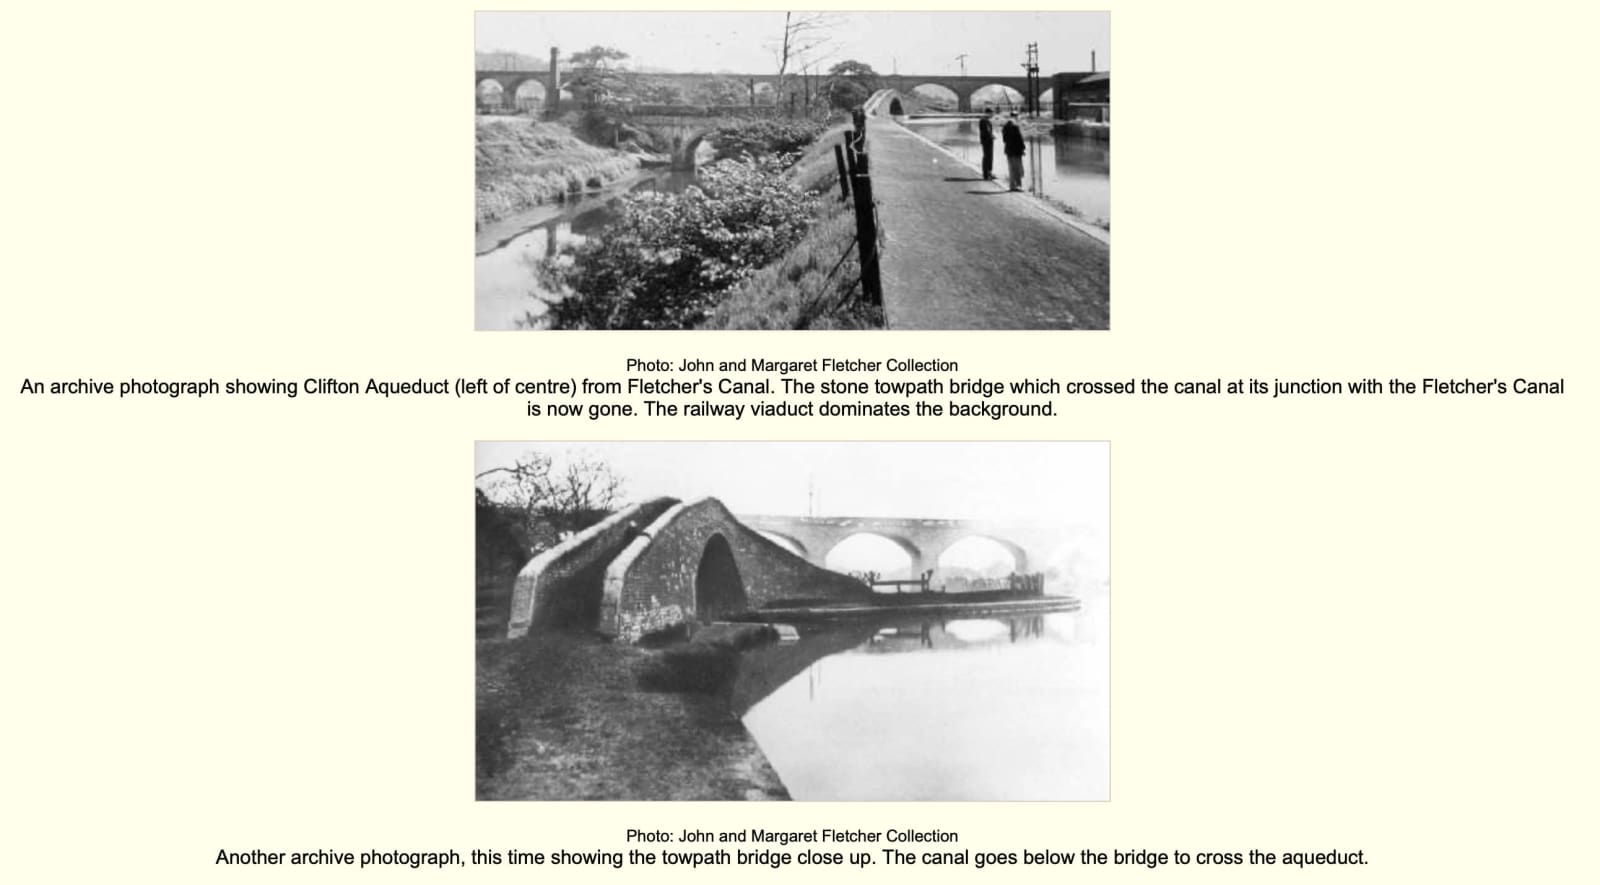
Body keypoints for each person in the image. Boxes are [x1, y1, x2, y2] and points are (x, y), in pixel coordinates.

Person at [1001, 112, 1026, 191]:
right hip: (1016, 151)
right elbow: (1019, 140)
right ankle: (1018, 186)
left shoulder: (1005, 127)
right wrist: (1023, 149)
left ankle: (1012, 186)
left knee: (1011, 169)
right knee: (1017, 169)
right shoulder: (1015, 127)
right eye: (1017, 117)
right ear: (1015, 117)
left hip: (1008, 150)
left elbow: (1004, 140)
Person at [977, 106, 996, 180]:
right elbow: (987, 132)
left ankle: (988, 173)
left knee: (987, 157)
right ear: (988, 113)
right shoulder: (985, 120)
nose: (992, 115)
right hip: (987, 141)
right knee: (988, 157)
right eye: (992, 113)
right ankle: (987, 174)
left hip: (986, 141)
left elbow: (986, 131)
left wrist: (991, 135)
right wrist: (992, 136)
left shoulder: (984, 120)